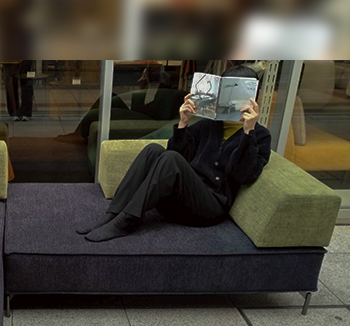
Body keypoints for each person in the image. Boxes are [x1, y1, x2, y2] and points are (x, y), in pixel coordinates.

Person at [77, 65, 271, 242]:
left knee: (171, 158)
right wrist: (183, 123)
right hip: (179, 201)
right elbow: (175, 157)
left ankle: (127, 221)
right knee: (153, 149)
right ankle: (113, 214)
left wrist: (248, 132)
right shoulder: (208, 125)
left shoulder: (260, 136)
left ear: (254, 98)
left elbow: (244, 174)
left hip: (209, 208)